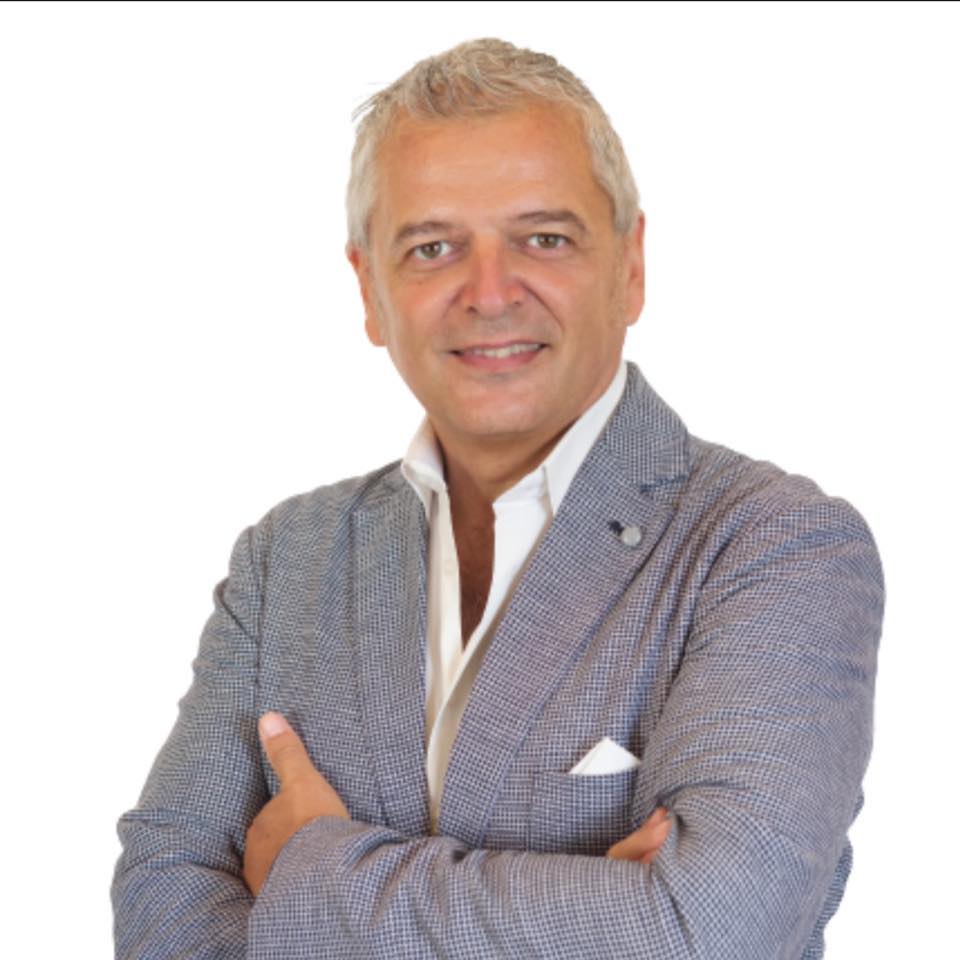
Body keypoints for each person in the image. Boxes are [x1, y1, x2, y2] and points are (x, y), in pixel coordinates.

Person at [112, 38, 884, 959]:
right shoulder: (287, 559)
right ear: (370, 290)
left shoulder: (771, 548)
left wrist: (310, 871)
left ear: (630, 266)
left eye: (544, 238)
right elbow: (160, 904)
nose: (488, 293)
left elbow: (705, 934)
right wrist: (593, 915)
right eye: (433, 247)